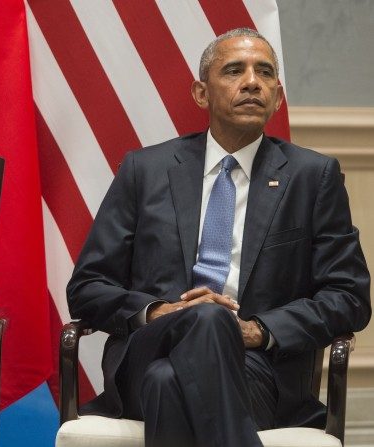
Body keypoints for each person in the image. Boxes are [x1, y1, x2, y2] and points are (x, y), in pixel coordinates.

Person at [67, 28, 370, 447]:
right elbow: (88, 287)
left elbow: (349, 296)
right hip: (146, 352)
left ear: (278, 97)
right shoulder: (146, 170)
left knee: (167, 381)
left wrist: (258, 330)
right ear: (201, 93)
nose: (252, 82)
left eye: (265, 73)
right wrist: (159, 313)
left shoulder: (311, 178)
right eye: (234, 70)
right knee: (201, 322)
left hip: (258, 368)